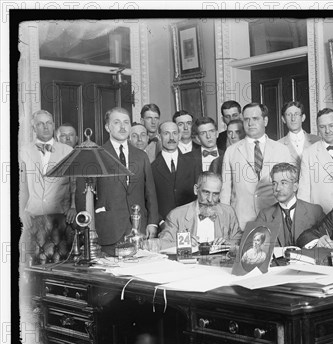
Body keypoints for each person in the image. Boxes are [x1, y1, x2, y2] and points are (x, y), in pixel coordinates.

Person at [85, 106, 159, 255]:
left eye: (126, 122)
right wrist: (89, 229)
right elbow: (86, 196)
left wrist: (152, 222)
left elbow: (150, 192)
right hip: (109, 229)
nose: (123, 126)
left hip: (139, 229)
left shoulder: (141, 156)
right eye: (117, 122)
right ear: (107, 127)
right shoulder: (96, 155)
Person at [221, 103, 296, 230]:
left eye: (255, 119)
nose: (250, 123)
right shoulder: (231, 151)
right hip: (241, 221)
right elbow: (225, 191)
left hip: (274, 220)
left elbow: (290, 188)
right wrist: (225, 222)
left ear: (265, 121)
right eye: (246, 119)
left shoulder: (281, 150)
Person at [20, 110, 76, 228]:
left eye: (49, 123)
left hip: (61, 214)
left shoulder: (68, 151)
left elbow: (74, 183)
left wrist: (73, 206)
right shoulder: (24, 151)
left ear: (53, 126)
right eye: (40, 124)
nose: (45, 127)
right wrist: (21, 211)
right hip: (33, 215)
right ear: (34, 128)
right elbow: (21, 185)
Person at [157, 171, 242, 249]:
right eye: (206, 192)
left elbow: (239, 240)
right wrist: (184, 244)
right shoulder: (176, 215)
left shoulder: (229, 212)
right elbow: (162, 244)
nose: (210, 199)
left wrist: (227, 244)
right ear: (196, 189)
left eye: (215, 194)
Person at [254, 163, 325, 247]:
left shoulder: (315, 212)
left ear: (295, 186)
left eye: (283, 183)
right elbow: (256, 250)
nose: (277, 188)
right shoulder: (264, 215)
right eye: (274, 183)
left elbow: (327, 244)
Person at [151, 121, 200, 226]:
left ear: (179, 136)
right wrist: (161, 222)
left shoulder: (193, 162)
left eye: (174, 133)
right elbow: (151, 200)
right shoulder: (152, 167)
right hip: (165, 225)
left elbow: (199, 193)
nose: (171, 138)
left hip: (191, 223)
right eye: (166, 133)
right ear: (159, 137)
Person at [278, 100, 319, 165]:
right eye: (289, 115)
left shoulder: (318, 141)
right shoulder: (278, 145)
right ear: (283, 119)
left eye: (296, 114)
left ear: (303, 117)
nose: (293, 119)